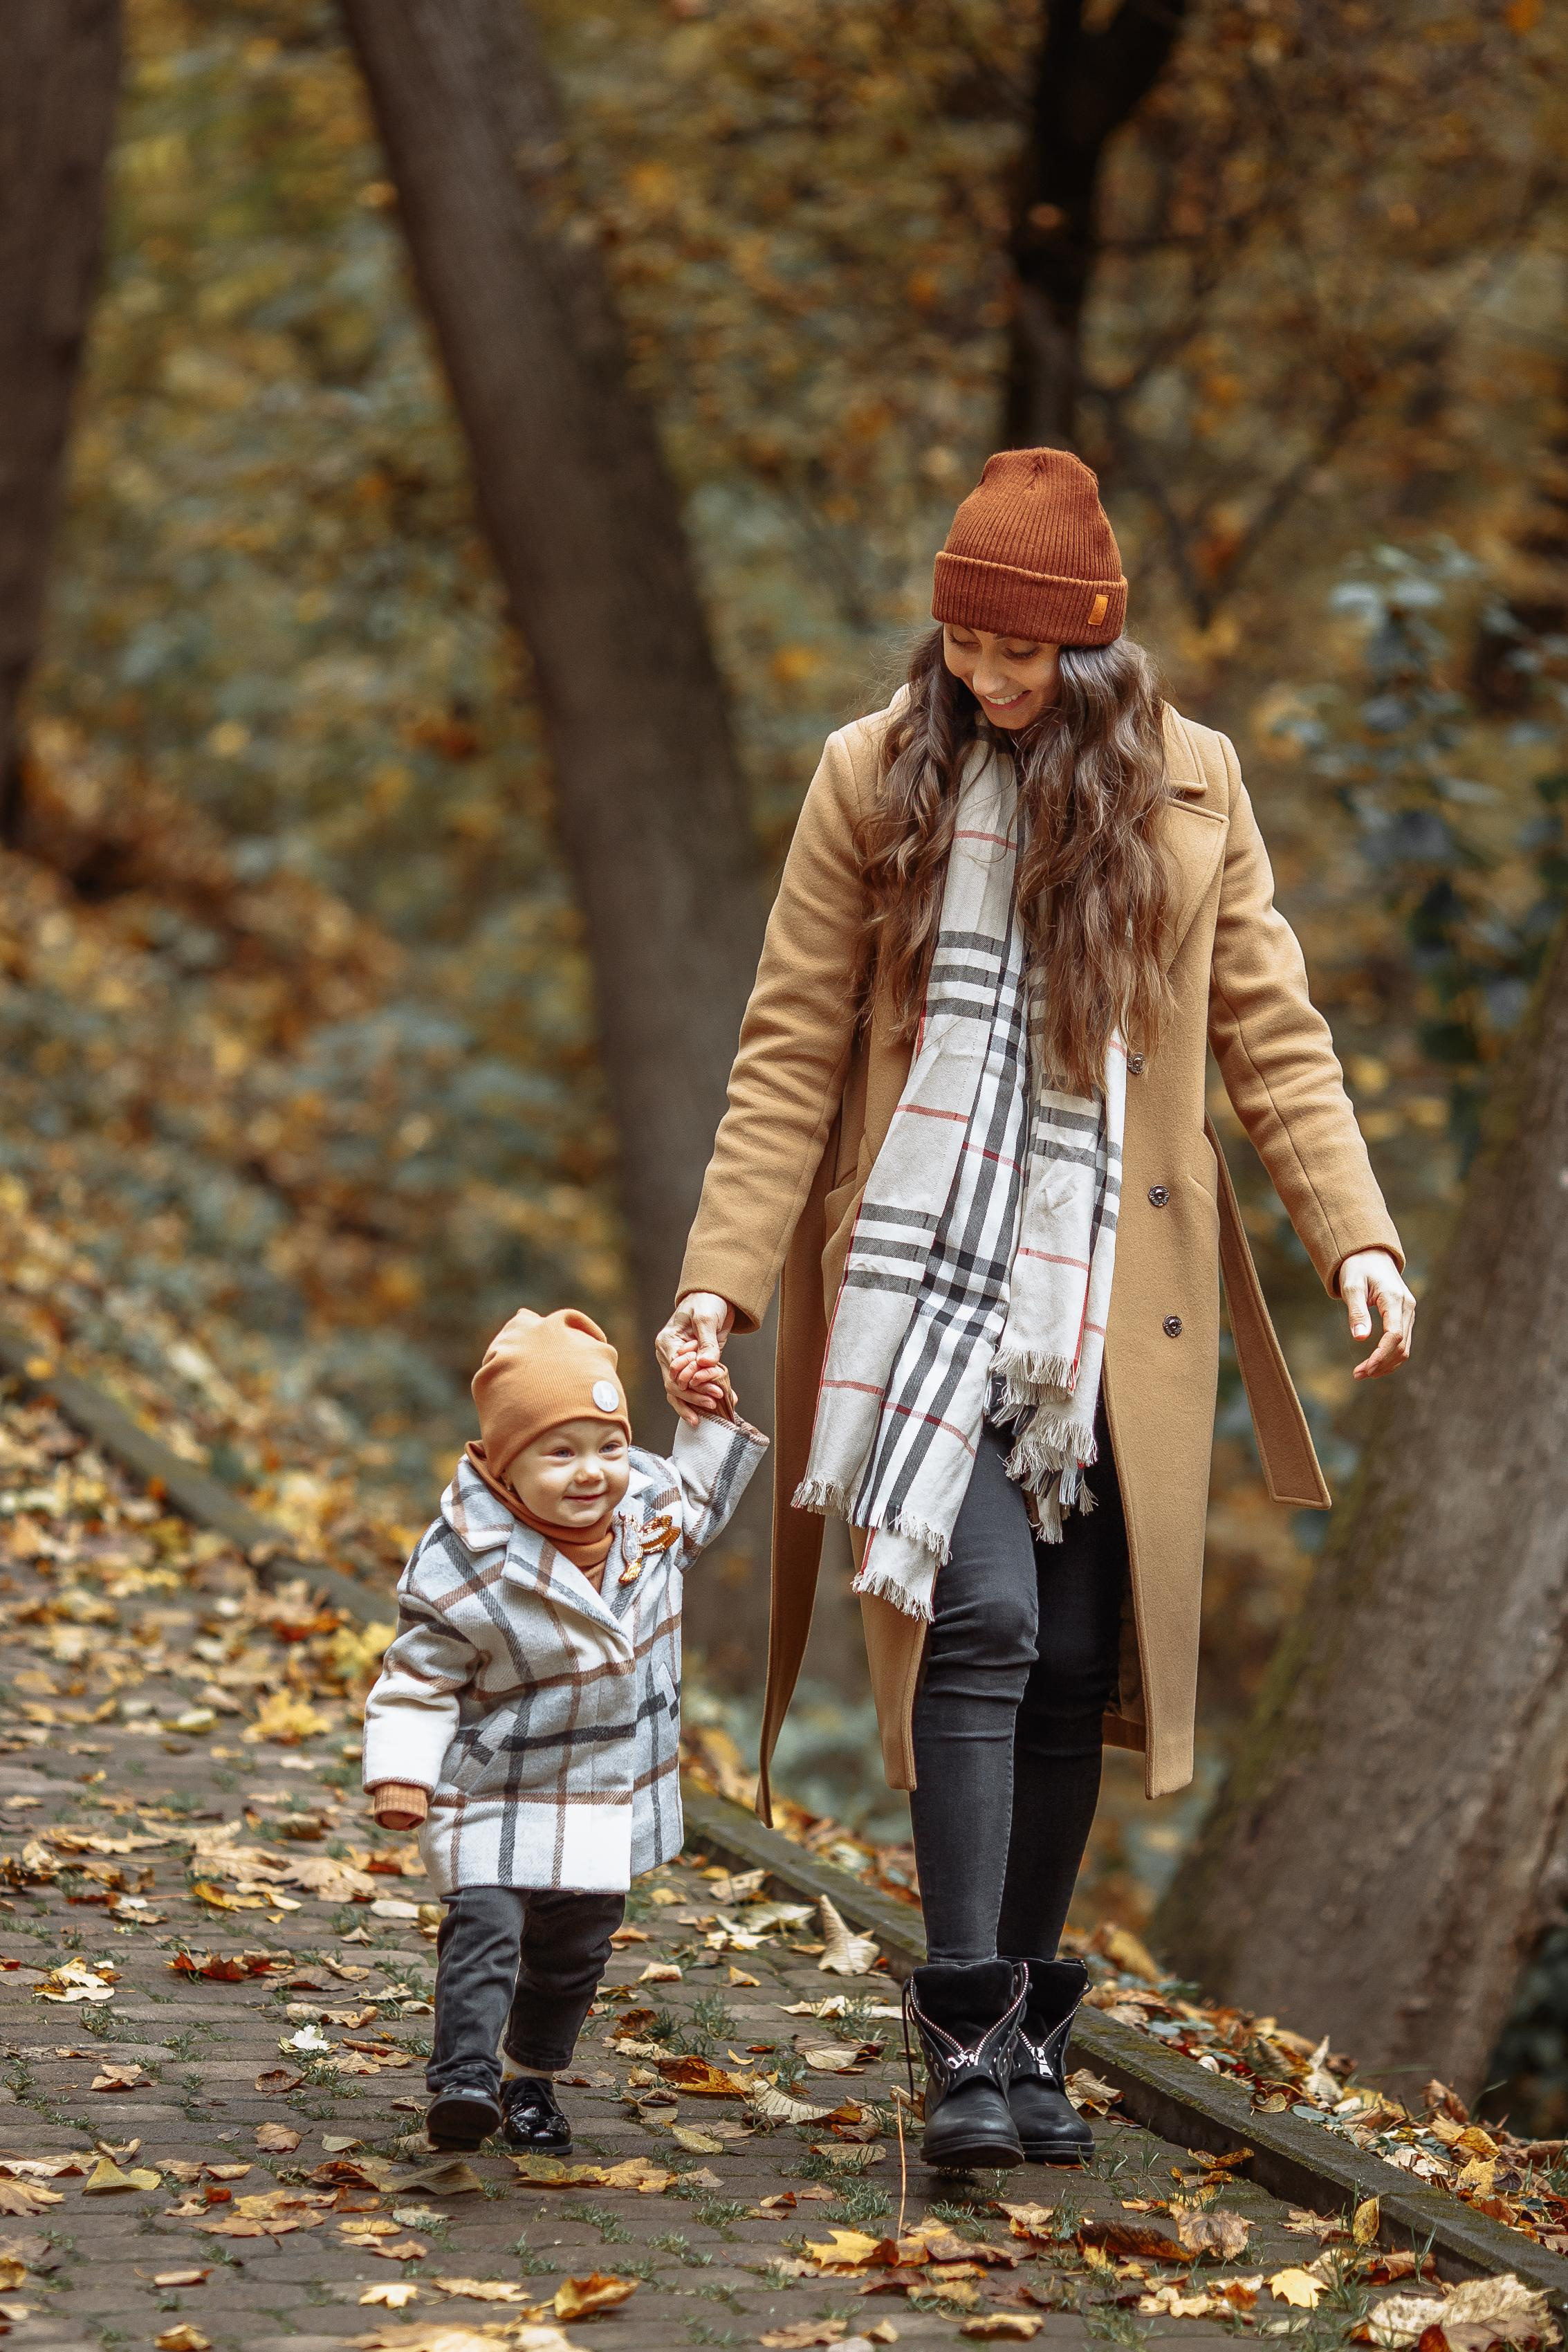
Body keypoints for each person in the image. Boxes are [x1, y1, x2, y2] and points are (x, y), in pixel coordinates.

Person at [657, 449, 1414, 2172]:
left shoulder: (1189, 790)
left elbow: (1265, 1033)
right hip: (919, 1287)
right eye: (958, 642)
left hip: (1103, 1301)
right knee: (980, 1620)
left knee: (1073, 1658)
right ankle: (960, 2026)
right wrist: (713, 1285)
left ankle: (1018, 2036)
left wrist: (1351, 1237)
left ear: (1085, 650)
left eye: (1014, 653)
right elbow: (783, 1047)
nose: (982, 678)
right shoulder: (871, 776)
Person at [363, 1307, 765, 2154]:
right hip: (496, 1783)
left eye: (608, 1446)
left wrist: (705, 1416)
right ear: (506, 1464)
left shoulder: (648, 1511)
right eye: (561, 1452)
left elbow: (697, 1490)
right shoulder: (463, 1559)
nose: (593, 1473)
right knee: (486, 1928)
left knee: (574, 1949)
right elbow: (416, 1675)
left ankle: (528, 2076)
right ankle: (463, 2081)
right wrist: (402, 1771)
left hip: (600, 1788)